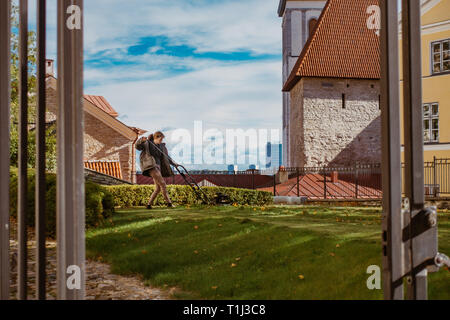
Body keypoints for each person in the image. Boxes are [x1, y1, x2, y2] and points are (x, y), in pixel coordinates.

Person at [136, 131, 179, 209]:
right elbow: (138, 147)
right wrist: (141, 140)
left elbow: (167, 157)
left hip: (158, 167)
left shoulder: (161, 147)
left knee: (158, 188)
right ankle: (169, 203)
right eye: (160, 139)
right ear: (156, 137)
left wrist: (174, 164)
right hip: (151, 166)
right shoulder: (147, 143)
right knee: (163, 184)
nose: (161, 141)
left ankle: (149, 205)